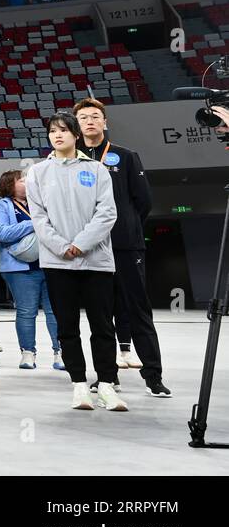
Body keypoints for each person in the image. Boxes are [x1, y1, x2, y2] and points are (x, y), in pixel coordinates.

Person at [25, 111, 125, 412]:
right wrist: (61, 246)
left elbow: (107, 213)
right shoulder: (37, 172)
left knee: (103, 325)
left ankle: (107, 384)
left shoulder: (96, 170)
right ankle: (79, 384)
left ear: (75, 135)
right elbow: (39, 218)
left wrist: (80, 244)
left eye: (64, 131)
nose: (58, 136)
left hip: (96, 261)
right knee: (67, 326)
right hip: (57, 262)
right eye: (52, 131)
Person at [74, 97, 168, 397]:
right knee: (100, 314)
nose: (89, 121)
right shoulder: (71, 160)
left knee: (138, 309)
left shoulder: (125, 156)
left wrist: (124, 226)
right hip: (90, 248)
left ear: (105, 122)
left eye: (95, 116)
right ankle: (106, 376)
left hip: (125, 245)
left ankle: (153, 375)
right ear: (77, 125)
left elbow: (143, 201)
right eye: (84, 117)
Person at [0, 169, 63, 371]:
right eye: (22, 180)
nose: (28, 182)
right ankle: (28, 353)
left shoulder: (41, 204)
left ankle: (60, 352)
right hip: (18, 266)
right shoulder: (2, 205)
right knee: (26, 311)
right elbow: (2, 232)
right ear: (9, 184)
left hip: (50, 263)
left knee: (55, 311)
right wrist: (35, 224)